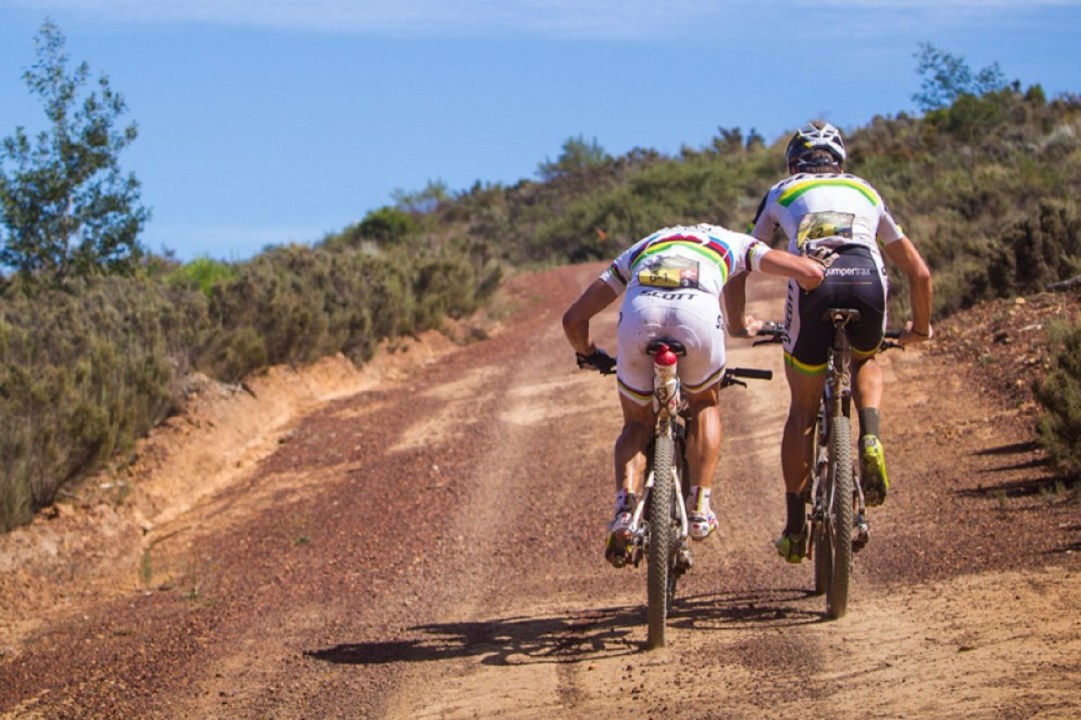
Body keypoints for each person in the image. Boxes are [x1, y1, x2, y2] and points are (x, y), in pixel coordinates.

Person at [562, 223, 825, 568]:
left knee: (636, 423)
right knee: (704, 403)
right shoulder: (732, 242)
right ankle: (699, 507)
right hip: (696, 316)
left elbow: (573, 320)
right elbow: (808, 273)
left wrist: (588, 353)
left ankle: (624, 512)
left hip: (641, 316)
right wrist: (819, 274)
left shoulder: (643, 247)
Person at [734, 120, 933, 564]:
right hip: (866, 280)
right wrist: (920, 329)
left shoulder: (781, 191)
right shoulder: (866, 191)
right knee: (865, 359)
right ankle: (870, 436)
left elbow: (742, 262)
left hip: (814, 285)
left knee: (803, 410)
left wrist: (737, 324)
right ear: (840, 163)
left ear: (793, 163)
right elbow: (919, 273)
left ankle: (794, 527)